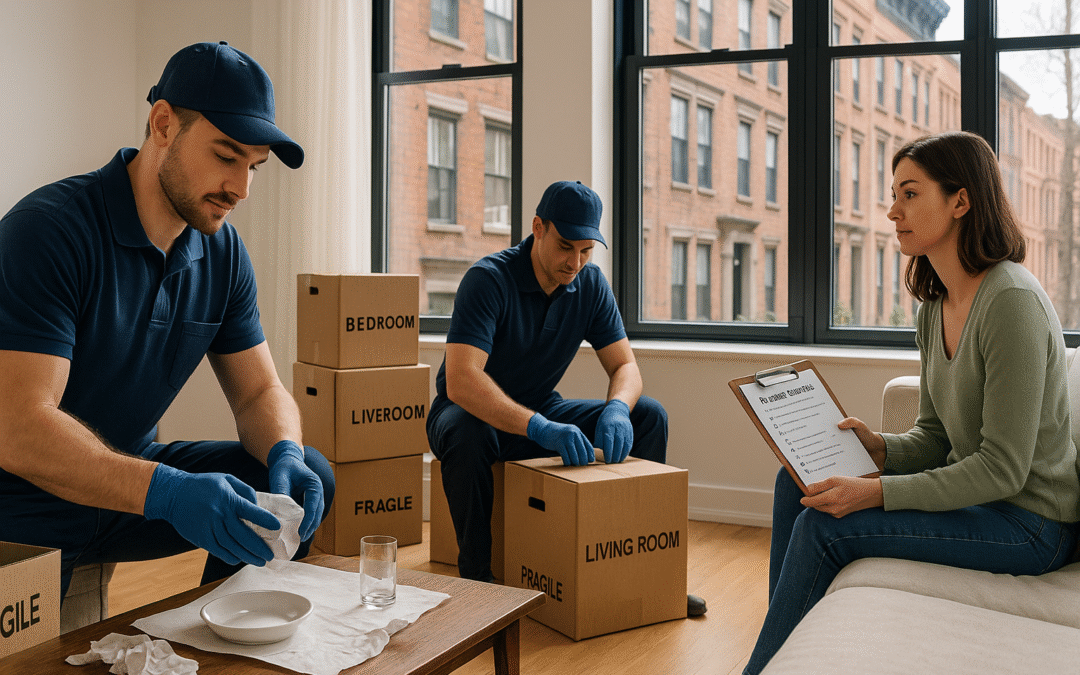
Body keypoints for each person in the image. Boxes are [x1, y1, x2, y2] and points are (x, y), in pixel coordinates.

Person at [0, 41, 334, 601]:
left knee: (308, 475)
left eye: (254, 166)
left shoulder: (223, 252)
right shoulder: (49, 231)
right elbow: (18, 429)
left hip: (128, 487)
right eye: (226, 156)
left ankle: (227, 631)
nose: (240, 188)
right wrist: (167, 492)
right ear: (162, 124)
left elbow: (258, 392)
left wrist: (286, 452)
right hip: (24, 502)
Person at [743, 130, 1080, 673]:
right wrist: (879, 449)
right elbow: (937, 437)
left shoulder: (1011, 301)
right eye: (893, 195)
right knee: (795, 483)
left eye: (910, 193)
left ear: (960, 201)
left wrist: (876, 492)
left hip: (1031, 525)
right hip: (982, 506)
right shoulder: (934, 307)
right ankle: (782, 653)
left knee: (824, 526)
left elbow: (1004, 469)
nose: (892, 210)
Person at [426, 180, 706, 617]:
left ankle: (644, 572)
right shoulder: (488, 280)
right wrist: (539, 427)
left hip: (542, 408)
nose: (575, 262)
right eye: (565, 247)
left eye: (586, 251)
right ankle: (479, 583)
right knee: (469, 433)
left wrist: (617, 408)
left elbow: (626, 367)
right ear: (538, 228)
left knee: (648, 415)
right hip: (466, 413)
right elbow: (461, 382)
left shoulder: (590, 285)